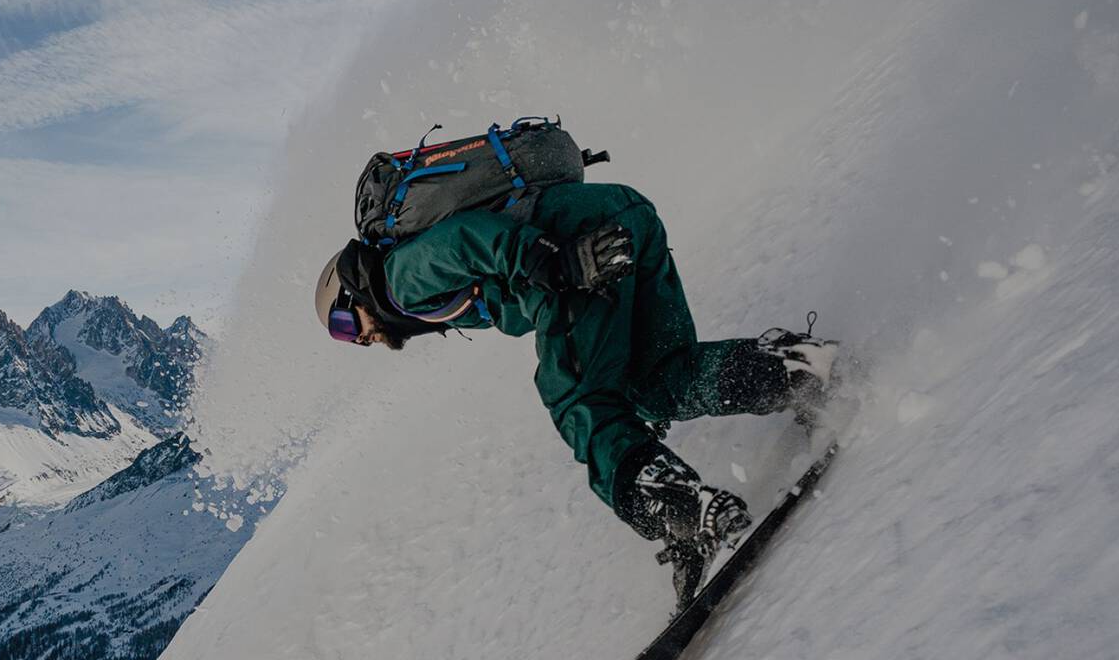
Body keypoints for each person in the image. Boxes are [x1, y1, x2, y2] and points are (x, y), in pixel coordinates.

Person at [315, 179, 839, 600]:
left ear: (352, 292)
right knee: (657, 380)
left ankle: (686, 515)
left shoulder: (397, 280)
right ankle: (796, 370)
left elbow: (466, 239)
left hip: (578, 249)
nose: (357, 339)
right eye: (343, 338)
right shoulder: (419, 300)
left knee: (576, 398)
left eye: (344, 325)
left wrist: (552, 260)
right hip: (622, 217)